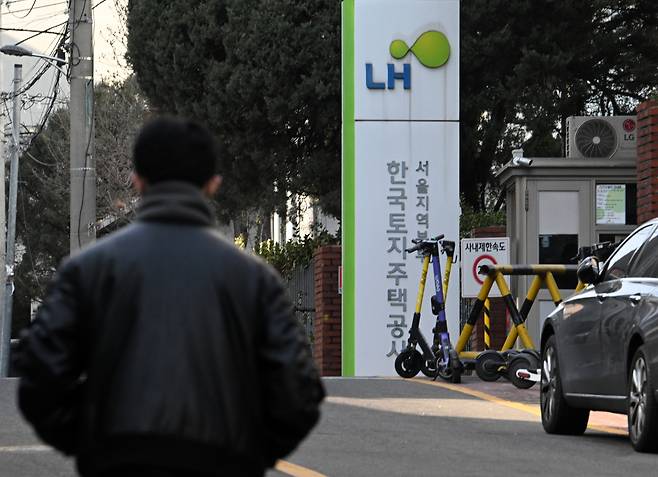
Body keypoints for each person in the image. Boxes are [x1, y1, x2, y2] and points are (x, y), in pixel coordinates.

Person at [13, 117, 325, 477]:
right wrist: (249, 450)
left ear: (137, 180)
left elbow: (40, 375)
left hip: (119, 460)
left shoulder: (89, 270)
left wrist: (91, 440)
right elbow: (298, 390)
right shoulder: (254, 279)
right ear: (213, 183)